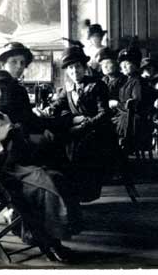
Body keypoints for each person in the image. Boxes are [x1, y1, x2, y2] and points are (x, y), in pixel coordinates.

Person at [0, 70, 82, 262]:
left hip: (14, 170)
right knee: (46, 187)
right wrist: (0, 140)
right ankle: (50, 244)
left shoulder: (5, 117)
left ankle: (43, 236)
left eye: (2, 90)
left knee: (57, 177)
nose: (0, 94)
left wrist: (30, 141)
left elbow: (17, 149)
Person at [49, 45, 118, 202]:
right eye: (71, 68)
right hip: (79, 131)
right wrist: (48, 110)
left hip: (99, 133)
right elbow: (59, 104)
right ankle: (67, 194)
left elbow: (104, 113)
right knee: (56, 144)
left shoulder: (97, 85)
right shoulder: (68, 87)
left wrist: (83, 125)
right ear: (67, 71)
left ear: (84, 67)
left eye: (78, 67)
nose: (75, 72)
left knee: (79, 148)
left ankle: (83, 193)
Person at [112, 42, 156, 157]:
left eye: (127, 64)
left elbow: (135, 104)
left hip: (134, 120)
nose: (123, 67)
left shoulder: (138, 82)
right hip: (126, 115)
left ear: (135, 65)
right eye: (122, 65)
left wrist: (117, 104)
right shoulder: (127, 81)